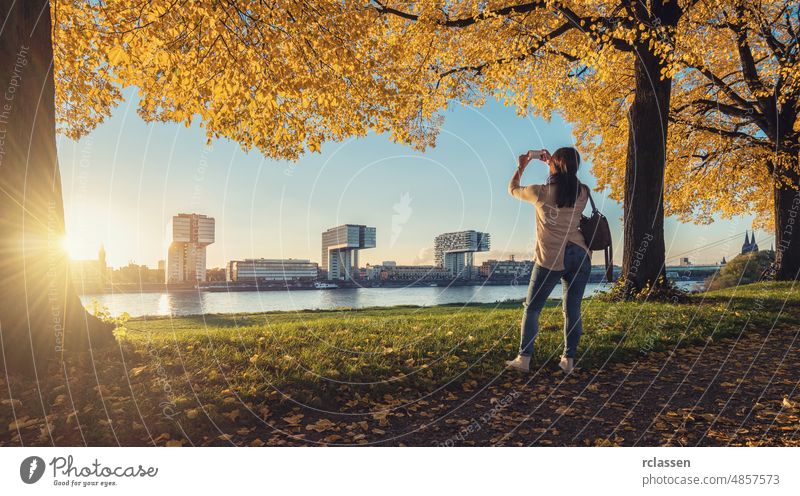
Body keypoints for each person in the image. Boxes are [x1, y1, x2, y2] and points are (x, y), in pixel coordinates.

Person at [505, 147, 592, 374]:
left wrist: (522, 165)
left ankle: (524, 360)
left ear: (556, 164)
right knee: (572, 309)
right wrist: (555, 166)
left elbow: (512, 189)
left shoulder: (539, 192)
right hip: (580, 254)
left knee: (532, 308)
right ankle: (568, 361)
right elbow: (568, 183)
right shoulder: (583, 191)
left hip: (551, 257)